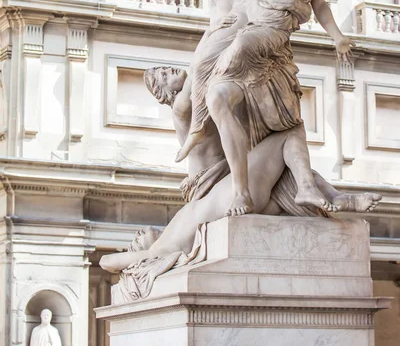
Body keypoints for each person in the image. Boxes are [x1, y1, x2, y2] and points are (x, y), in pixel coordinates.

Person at [176, 0, 354, 218]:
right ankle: (209, 183)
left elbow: (308, 2)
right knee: (184, 106)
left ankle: (269, 189)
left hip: (255, 38)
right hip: (219, 34)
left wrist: (336, 36)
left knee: (243, 117)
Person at [100, 65, 381, 277]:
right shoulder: (159, 250)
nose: (137, 235)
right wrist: (140, 256)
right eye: (135, 242)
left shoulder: (174, 228)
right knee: (289, 133)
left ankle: (333, 196)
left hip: (230, 194)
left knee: (287, 170)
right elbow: (105, 262)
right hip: (233, 194)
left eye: (164, 71)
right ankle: (323, 193)